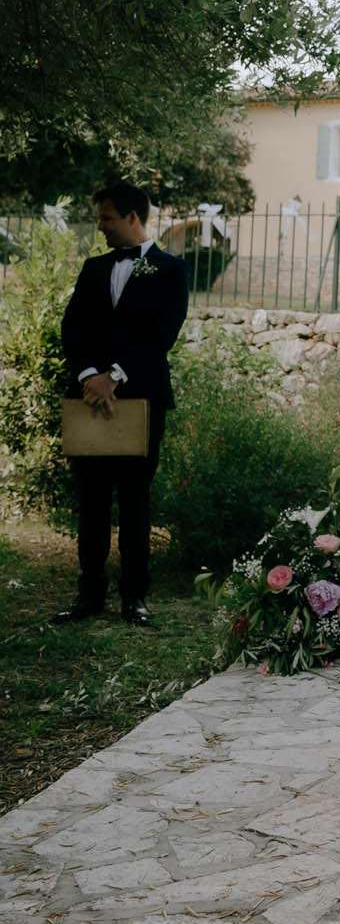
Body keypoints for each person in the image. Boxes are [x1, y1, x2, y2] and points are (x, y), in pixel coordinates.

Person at [57, 182, 190, 628]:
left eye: (106, 219)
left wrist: (113, 376)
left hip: (141, 398)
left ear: (132, 217)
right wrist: (88, 377)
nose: (100, 228)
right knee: (91, 500)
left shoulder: (170, 270)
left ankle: (135, 598)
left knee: (135, 501)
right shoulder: (93, 268)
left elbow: (161, 334)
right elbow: (72, 328)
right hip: (90, 399)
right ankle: (88, 595)